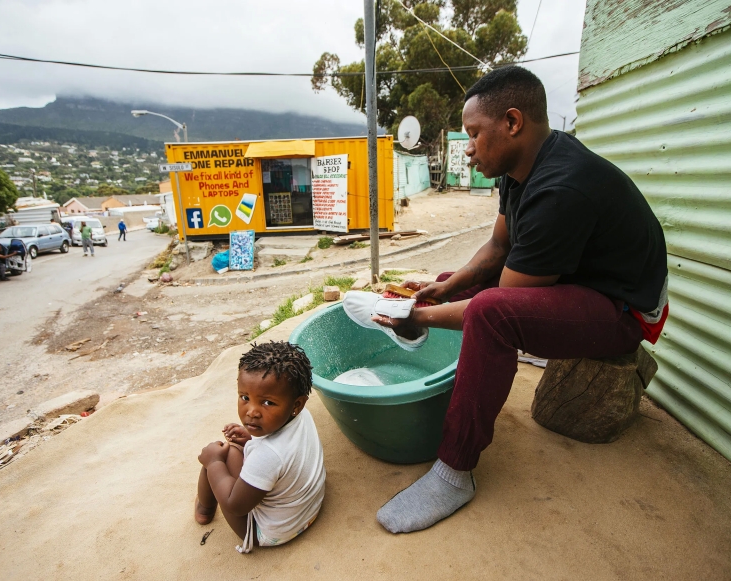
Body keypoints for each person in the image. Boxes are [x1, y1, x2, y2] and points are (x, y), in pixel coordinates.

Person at [363, 66, 668, 533]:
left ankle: (453, 472)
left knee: (488, 313)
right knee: (452, 281)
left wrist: (421, 317)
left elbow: (502, 301)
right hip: (581, 280)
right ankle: (453, 379)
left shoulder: (563, 188)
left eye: (473, 134)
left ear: (512, 122)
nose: (467, 148)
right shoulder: (518, 167)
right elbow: (498, 249)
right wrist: (444, 289)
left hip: (625, 310)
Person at [194, 341, 326, 554]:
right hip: (307, 510)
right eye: (245, 398)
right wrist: (251, 437)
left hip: (270, 533)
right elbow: (285, 451)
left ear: (296, 404)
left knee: (223, 452)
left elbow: (235, 505)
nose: (252, 412)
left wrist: (214, 462)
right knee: (237, 447)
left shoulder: (268, 455)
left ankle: (205, 509)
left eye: (267, 403)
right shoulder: (301, 415)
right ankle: (208, 494)